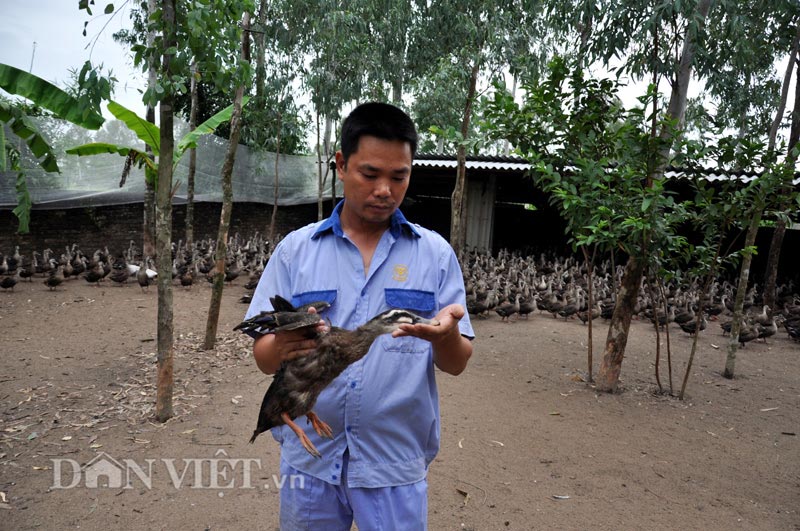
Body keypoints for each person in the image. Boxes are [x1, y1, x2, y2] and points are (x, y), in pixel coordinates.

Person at [246, 101, 474, 530]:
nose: (384, 189)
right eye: (370, 174)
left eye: (398, 176)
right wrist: (282, 344)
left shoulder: (435, 255)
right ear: (340, 164)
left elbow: (457, 362)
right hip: (311, 464)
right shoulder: (297, 251)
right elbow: (263, 358)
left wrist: (445, 336)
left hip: (393, 467)